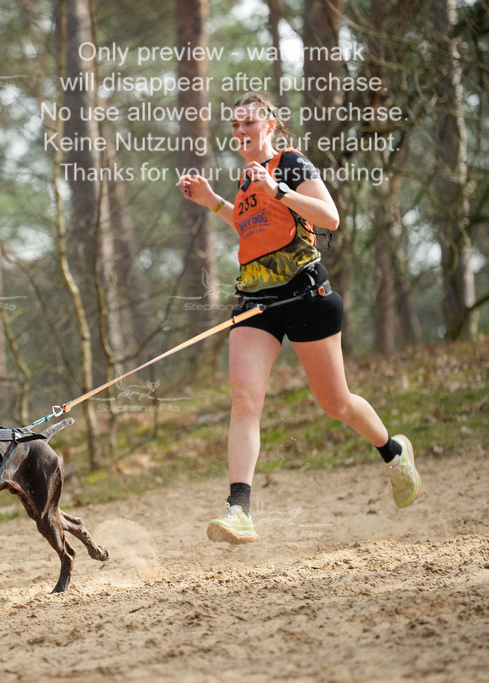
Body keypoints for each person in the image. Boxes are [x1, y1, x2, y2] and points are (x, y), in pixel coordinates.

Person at [179, 92, 420, 544]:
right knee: (244, 400)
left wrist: (282, 190)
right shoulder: (247, 181)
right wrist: (213, 201)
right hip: (256, 299)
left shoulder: (289, 163)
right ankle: (238, 510)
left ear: (270, 125)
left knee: (336, 404)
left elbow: (330, 217)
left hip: (306, 293)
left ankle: (393, 451)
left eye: (248, 122)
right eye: (234, 125)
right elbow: (252, 229)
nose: (240, 132)